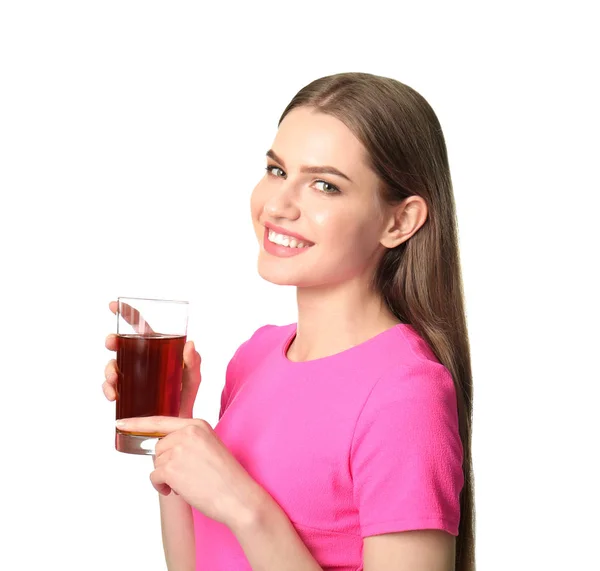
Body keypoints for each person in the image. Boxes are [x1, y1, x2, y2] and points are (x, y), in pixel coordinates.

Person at [102, 72, 475, 571]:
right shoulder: (255, 357)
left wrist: (246, 507)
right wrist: (172, 428)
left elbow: (244, 517)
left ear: (399, 222)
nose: (277, 206)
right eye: (277, 171)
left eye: (324, 185)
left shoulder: (406, 392)